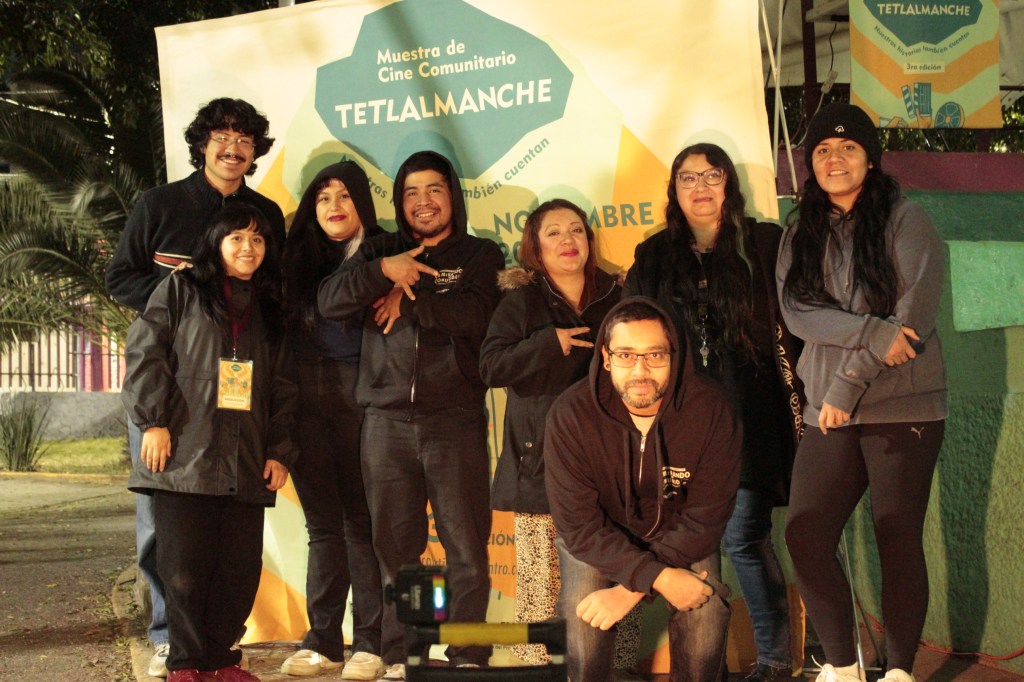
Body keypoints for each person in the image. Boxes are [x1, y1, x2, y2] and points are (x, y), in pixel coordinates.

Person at [105, 97, 285, 678]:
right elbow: (120, 276)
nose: (233, 148)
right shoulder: (160, 204)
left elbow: (275, 293)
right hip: (170, 394)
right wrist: (188, 303)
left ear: (254, 151)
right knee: (166, 528)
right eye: (221, 137)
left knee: (231, 545)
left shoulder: (264, 214)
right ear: (203, 144)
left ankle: (215, 650)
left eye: (244, 140)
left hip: (239, 404)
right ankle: (169, 639)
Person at [317, 151, 505, 680]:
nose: (423, 202)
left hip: (455, 419)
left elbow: (478, 317)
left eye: (434, 190)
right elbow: (329, 301)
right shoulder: (379, 249)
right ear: (399, 203)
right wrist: (384, 271)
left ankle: (466, 653)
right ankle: (408, 652)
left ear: (453, 197)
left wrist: (412, 297)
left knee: (466, 547)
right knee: (398, 550)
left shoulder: (480, 253)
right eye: (411, 193)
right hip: (385, 422)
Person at [777, 103, 947, 682]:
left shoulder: (908, 220)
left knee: (896, 535)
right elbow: (798, 312)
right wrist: (873, 334)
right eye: (823, 150)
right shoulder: (799, 231)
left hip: (903, 404)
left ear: (870, 159)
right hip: (828, 408)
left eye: (848, 148)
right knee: (805, 534)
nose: (835, 158)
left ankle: (899, 671)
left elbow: (911, 322)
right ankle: (843, 666)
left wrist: (848, 384)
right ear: (811, 163)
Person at [625, 142, 804, 680]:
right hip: (679, 423)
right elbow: (632, 329)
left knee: (743, 537)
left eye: (711, 175)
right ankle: (704, 667)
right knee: (691, 546)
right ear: (673, 190)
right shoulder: (653, 255)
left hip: (751, 416)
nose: (700, 187)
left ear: (729, 184)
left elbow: (798, 320)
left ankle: (774, 660)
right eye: (687, 178)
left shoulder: (763, 243)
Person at [121, 204, 299, 682]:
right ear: (216, 244)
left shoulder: (270, 306)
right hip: (184, 453)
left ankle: (221, 660)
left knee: (238, 570)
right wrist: (153, 422)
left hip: (246, 457)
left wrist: (279, 450)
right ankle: (185, 663)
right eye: (236, 238)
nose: (248, 248)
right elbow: (145, 352)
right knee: (183, 569)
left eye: (258, 240)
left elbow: (284, 385)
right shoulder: (181, 288)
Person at [545, 297, 742, 682]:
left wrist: (629, 590)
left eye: (655, 355)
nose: (640, 371)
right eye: (625, 355)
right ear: (606, 357)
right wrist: (660, 577)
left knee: (705, 612)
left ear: (675, 356)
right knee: (581, 617)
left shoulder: (712, 411)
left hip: (682, 535)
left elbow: (705, 518)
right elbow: (580, 527)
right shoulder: (571, 416)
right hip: (600, 536)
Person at [479, 199, 621, 665]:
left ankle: (610, 669)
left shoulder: (616, 296)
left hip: (609, 458)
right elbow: (490, 367)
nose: (567, 240)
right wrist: (547, 343)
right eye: (554, 232)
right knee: (540, 579)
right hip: (539, 458)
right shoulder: (522, 301)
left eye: (576, 230)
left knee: (611, 572)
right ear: (535, 248)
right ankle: (538, 668)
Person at [278, 161, 386, 679]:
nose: (334, 206)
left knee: (362, 525)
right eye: (323, 198)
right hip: (304, 403)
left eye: (345, 195)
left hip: (363, 400)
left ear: (362, 201)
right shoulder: (294, 258)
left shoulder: (385, 252)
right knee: (323, 526)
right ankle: (322, 640)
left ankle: (371, 643)